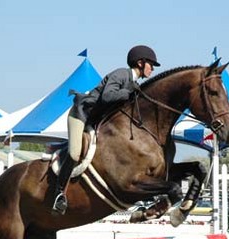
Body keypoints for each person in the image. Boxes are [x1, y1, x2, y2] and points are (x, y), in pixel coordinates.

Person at [52, 45, 161, 215]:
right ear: (140, 63)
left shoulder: (133, 82)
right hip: (81, 115)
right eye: (151, 64)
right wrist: (129, 92)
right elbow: (107, 96)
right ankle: (58, 193)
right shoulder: (122, 74)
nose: (152, 68)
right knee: (74, 153)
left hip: (96, 122)